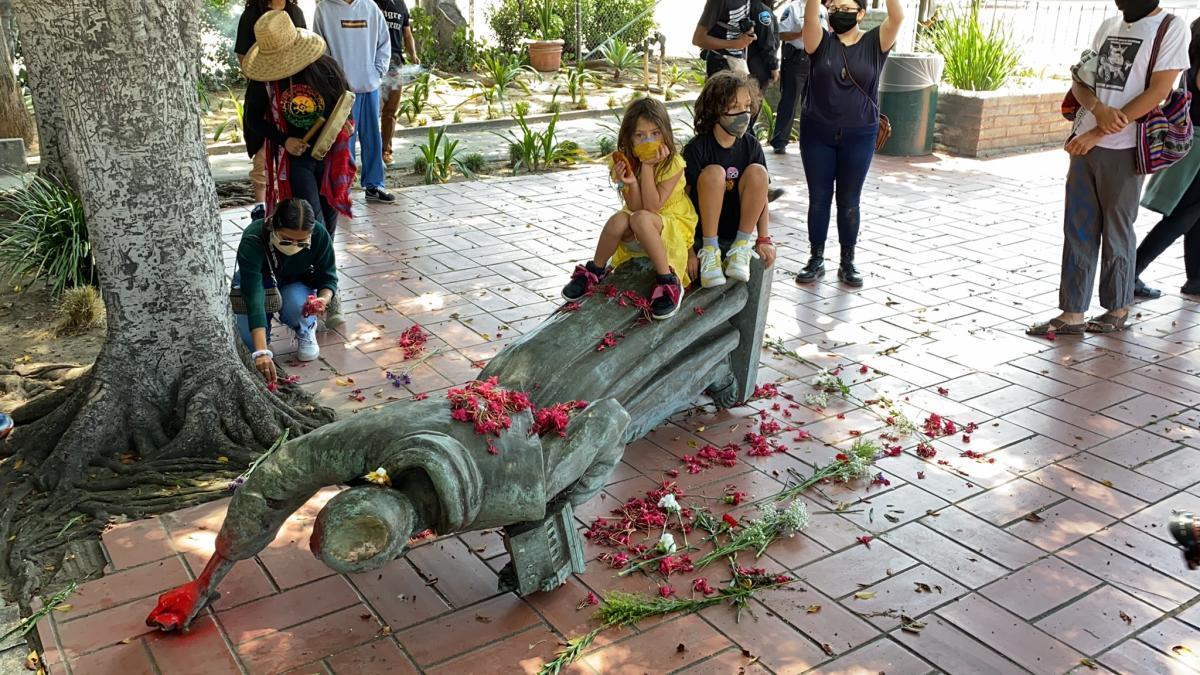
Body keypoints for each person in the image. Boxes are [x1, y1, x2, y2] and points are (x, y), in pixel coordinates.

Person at [1028, 0, 1188, 336]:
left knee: (1117, 228)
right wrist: (1097, 111)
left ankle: (1117, 309)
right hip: (1084, 142)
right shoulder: (1109, 26)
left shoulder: (1171, 27)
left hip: (1127, 148)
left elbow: (1159, 91)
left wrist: (1101, 130)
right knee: (1078, 226)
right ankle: (1071, 313)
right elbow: (1080, 80)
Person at [242, 10, 354, 330]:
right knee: (313, 220)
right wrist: (284, 139)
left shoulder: (324, 68)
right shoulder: (263, 82)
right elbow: (253, 121)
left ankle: (325, 284)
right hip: (296, 159)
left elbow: (344, 105)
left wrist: (332, 135)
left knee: (328, 222)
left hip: (331, 157)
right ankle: (332, 294)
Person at [793, 0, 902, 289]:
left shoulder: (874, 43)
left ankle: (847, 260)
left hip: (859, 133)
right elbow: (809, 18)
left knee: (849, 199)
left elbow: (897, 16)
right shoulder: (820, 41)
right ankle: (815, 258)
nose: (839, 11)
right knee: (819, 198)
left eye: (847, 6)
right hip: (817, 131)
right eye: (835, 5)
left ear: (861, 13)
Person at [560, 98, 697, 320]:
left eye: (655, 134)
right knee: (618, 220)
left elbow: (652, 207)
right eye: (640, 136)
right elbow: (635, 207)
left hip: (672, 224)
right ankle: (595, 270)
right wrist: (631, 182)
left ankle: (668, 281)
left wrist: (649, 166)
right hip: (641, 221)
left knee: (642, 219)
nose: (648, 140)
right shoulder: (627, 162)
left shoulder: (674, 164)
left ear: (666, 134)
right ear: (629, 140)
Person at [682, 71, 777, 289]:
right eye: (734, 107)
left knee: (759, 172)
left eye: (747, 105)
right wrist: (688, 250)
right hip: (702, 230)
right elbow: (682, 202)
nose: (743, 113)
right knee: (715, 173)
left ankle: (741, 247)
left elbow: (762, 195)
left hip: (737, 227)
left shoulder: (751, 146)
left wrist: (763, 238)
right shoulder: (697, 149)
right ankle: (710, 251)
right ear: (715, 109)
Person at [233, 199, 338, 385]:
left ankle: (305, 329)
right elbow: (254, 295)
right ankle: (262, 339)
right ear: (273, 226)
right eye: (287, 239)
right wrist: (261, 351)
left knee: (296, 305)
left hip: (295, 281)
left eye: (302, 242)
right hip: (257, 282)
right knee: (249, 345)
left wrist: (323, 299)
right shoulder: (253, 238)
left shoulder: (319, 235)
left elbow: (328, 277)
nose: (294, 245)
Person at [1134, 16, 1200, 299]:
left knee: (1194, 215)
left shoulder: (1190, 59)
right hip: (1197, 150)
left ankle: (1196, 279)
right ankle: (1130, 271)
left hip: (1192, 145)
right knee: (1182, 216)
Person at [315, 0, 397, 203]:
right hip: (341, 92)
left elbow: (384, 44)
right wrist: (332, 82)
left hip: (370, 87)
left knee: (373, 139)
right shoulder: (324, 9)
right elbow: (320, 50)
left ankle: (375, 185)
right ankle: (343, 189)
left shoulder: (370, 7)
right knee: (344, 141)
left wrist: (377, 72)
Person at [234, 0, 306, 222]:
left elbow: (301, 46)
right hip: (264, 88)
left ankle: (291, 203)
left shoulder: (295, 12)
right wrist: (264, 75)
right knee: (262, 152)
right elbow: (243, 56)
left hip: (294, 92)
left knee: (294, 151)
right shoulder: (251, 14)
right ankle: (261, 204)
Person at [771, 0, 827, 154]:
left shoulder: (822, 9)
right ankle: (780, 141)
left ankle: (811, 141)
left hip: (816, 59)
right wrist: (801, 33)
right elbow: (780, 34)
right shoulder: (793, 8)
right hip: (796, 58)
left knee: (813, 103)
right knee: (790, 100)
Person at [374, 0, 420, 166]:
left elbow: (407, 34)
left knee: (390, 111)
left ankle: (386, 151)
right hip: (375, 63)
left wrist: (413, 55)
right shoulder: (371, 2)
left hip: (395, 64)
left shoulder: (401, 5)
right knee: (373, 111)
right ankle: (371, 153)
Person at [693, 0, 757, 78]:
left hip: (739, 61)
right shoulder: (718, 2)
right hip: (720, 63)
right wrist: (736, 43)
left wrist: (749, 30)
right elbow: (698, 40)